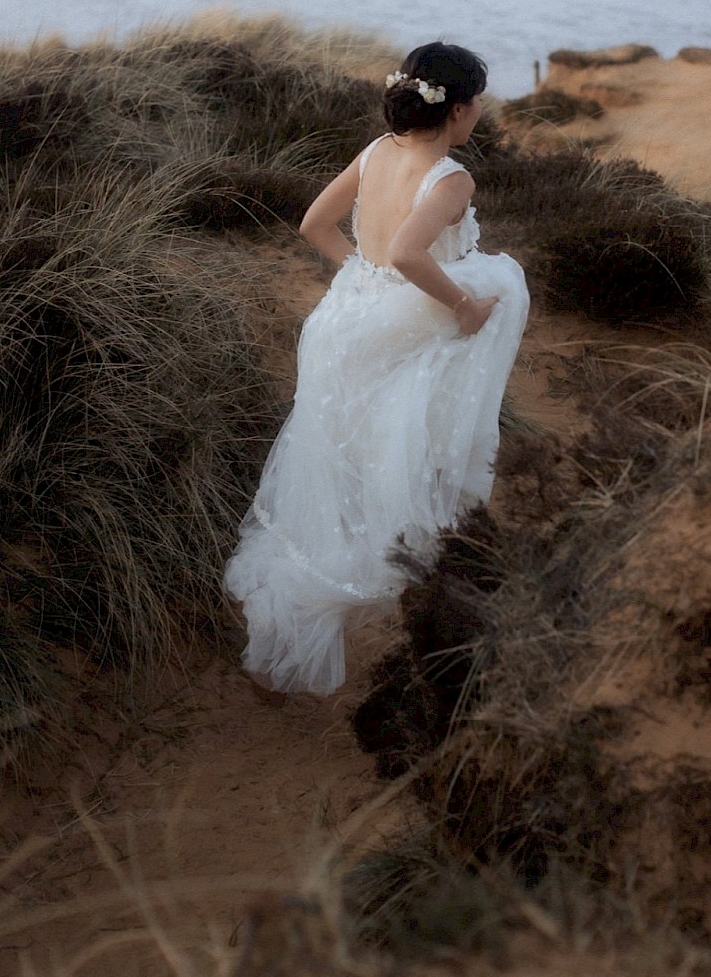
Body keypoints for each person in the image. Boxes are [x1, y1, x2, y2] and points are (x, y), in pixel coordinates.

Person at [223, 42, 529, 696]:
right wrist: (464, 305)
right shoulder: (450, 178)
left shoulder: (374, 153)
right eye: (477, 103)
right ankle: (413, 579)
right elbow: (409, 254)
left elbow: (315, 224)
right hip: (392, 327)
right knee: (398, 468)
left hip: (343, 325)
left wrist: (362, 280)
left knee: (336, 481)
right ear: (460, 110)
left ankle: (283, 643)